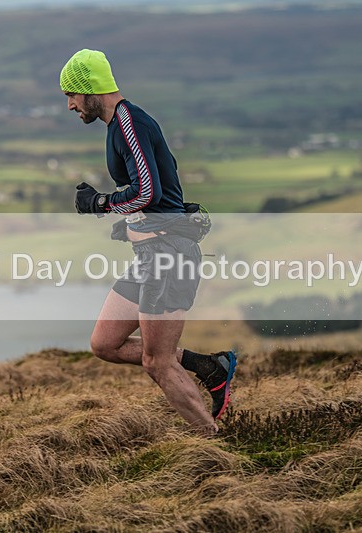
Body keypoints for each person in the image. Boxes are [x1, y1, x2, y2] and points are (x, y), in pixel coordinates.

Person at [59, 49, 237, 436]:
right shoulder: (119, 125)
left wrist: (100, 204)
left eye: (72, 93)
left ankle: (212, 442)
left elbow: (146, 191)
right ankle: (209, 367)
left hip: (168, 256)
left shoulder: (130, 123)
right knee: (104, 343)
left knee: (157, 362)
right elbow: (155, 195)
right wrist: (132, 222)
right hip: (150, 254)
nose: (70, 105)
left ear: (90, 89)